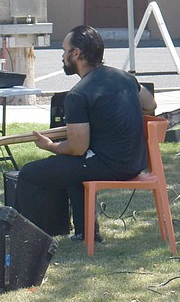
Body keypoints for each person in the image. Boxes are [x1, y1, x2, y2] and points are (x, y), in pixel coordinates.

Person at [15, 25, 157, 240]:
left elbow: (76, 147)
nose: (62, 56)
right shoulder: (125, 78)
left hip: (111, 166)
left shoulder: (78, 95)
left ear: (77, 53)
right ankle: (86, 233)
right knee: (73, 168)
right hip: (136, 162)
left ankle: (29, 239)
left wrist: (50, 146)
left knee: (29, 173)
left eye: (64, 51)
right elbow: (150, 105)